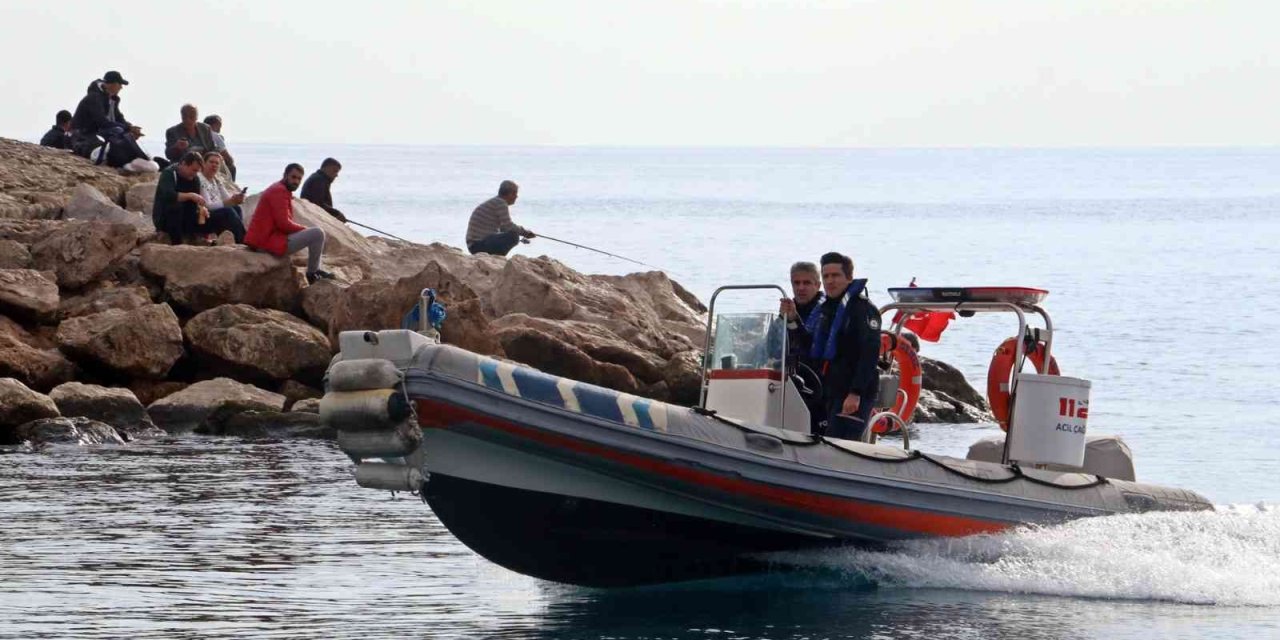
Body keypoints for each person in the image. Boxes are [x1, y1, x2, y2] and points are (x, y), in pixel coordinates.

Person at [792, 252, 882, 441]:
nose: (830, 281)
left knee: (840, 445)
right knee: (825, 440)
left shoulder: (863, 310)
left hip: (853, 392)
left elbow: (869, 354)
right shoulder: (827, 310)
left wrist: (855, 393)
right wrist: (793, 321)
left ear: (848, 278)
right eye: (826, 276)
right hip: (830, 390)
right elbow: (813, 347)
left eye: (835, 275)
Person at [245, 163, 335, 284]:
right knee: (317, 233)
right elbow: (284, 224)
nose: (296, 181)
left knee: (313, 233)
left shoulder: (280, 189)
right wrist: (304, 229)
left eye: (299, 179)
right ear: (285, 175)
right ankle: (312, 273)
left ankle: (316, 270)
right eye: (293, 177)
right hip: (265, 242)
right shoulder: (279, 191)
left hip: (266, 239)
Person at [152, 151, 246, 244]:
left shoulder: (195, 178)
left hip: (189, 219)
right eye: (193, 170)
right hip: (166, 219)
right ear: (184, 164)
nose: (195, 174)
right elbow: (168, 195)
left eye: (197, 171)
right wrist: (190, 195)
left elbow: (199, 204)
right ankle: (177, 243)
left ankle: (239, 241)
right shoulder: (169, 174)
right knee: (176, 206)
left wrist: (202, 209)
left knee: (231, 211)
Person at [70, 70, 155, 170]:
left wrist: (130, 128)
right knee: (116, 136)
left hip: (97, 136)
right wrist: (126, 129)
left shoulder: (111, 100)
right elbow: (102, 121)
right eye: (120, 84)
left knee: (120, 135)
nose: (121, 88)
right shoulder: (94, 98)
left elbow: (118, 118)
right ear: (113, 84)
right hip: (84, 137)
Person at [465, 180, 535, 256]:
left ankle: (498, 256)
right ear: (509, 194)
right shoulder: (501, 203)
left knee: (512, 234)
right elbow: (508, 226)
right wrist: (525, 232)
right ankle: (499, 257)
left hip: (474, 245)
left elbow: (504, 228)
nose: (516, 196)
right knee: (513, 236)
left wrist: (523, 233)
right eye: (515, 193)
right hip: (478, 245)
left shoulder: (496, 202)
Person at [198, 151, 246, 227]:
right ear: (204, 164)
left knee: (236, 208)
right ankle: (243, 237)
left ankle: (239, 237)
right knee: (228, 211)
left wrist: (236, 199)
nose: (214, 165)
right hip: (204, 214)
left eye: (217, 163)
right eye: (211, 162)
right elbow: (208, 206)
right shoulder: (200, 179)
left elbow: (227, 198)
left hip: (215, 212)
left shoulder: (216, 180)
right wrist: (229, 202)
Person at [299, 157, 346, 222]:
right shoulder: (318, 180)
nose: (336, 175)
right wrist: (336, 213)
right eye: (335, 171)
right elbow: (318, 204)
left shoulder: (319, 178)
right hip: (312, 217)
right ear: (326, 168)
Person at [203, 114, 236, 179]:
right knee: (232, 167)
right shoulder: (216, 136)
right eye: (218, 126)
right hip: (212, 163)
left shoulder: (200, 135)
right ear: (212, 125)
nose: (220, 129)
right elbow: (228, 157)